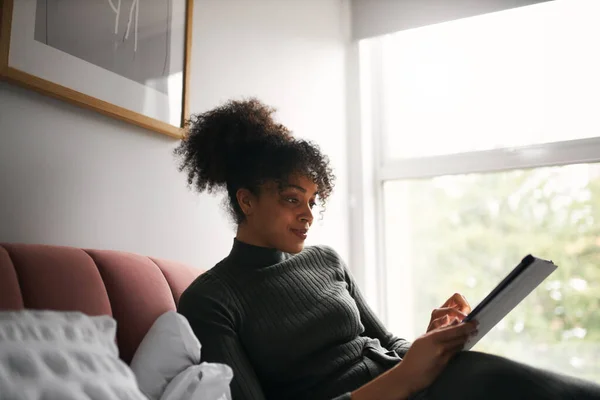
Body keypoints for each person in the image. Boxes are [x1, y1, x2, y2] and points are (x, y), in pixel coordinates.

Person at [175, 99, 600, 400]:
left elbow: (387, 345)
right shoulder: (212, 300)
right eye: (291, 199)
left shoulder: (325, 260)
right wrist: (405, 380)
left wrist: (428, 341)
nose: (307, 214)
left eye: (312, 201)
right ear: (246, 200)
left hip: (419, 384)